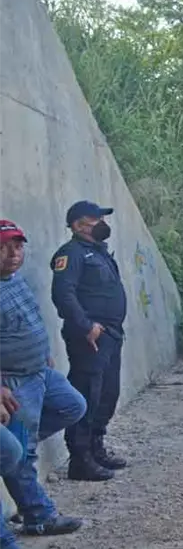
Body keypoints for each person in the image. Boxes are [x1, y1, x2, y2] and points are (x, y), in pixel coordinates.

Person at [0, 219, 86, 541]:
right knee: (21, 453)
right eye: (3, 248)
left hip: (39, 371)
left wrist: (45, 351)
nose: (13, 254)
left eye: (17, 246)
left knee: (73, 406)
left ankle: (20, 448)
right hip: (14, 382)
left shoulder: (14, 280)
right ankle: (39, 516)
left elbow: (31, 318)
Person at [48, 201, 128, 481]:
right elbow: (63, 294)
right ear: (78, 225)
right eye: (96, 219)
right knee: (87, 394)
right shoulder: (71, 254)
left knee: (107, 394)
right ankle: (80, 460)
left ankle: (96, 448)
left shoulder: (99, 252)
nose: (103, 223)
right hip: (90, 338)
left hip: (110, 335)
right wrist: (86, 327)